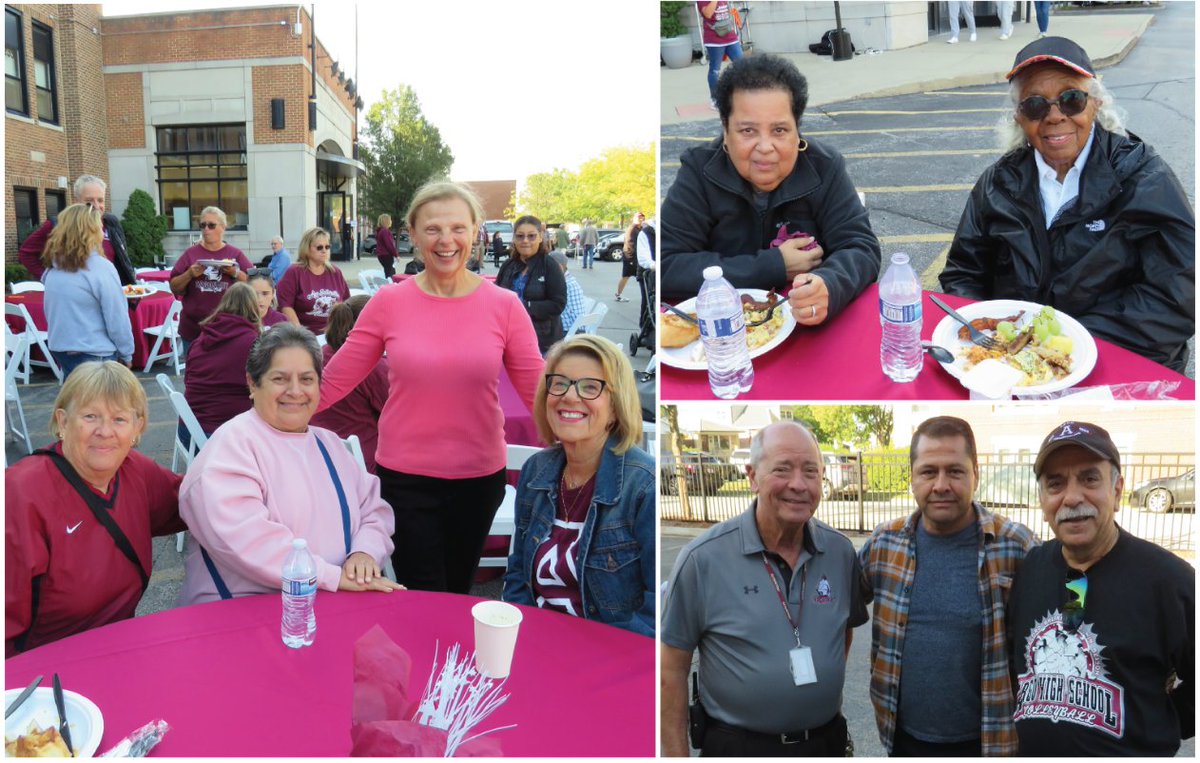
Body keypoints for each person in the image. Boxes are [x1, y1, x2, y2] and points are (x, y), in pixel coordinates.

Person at [317, 181, 543, 595]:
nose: (446, 240)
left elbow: (538, 392)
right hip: (405, 478)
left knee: (456, 590)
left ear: (475, 231)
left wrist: (593, 442)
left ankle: (449, 642)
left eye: (458, 228)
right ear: (413, 233)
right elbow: (335, 379)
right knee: (421, 592)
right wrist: (269, 414)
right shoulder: (389, 302)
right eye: (433, 229)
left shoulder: (505, 306)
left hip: (479, 477)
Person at [939, 38, 1195, 372]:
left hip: (1119, 359)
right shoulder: (997, 184)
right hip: (1014, 363)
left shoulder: (1144, 179)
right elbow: (964, 272)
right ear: (1019, 117)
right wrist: (985, 332)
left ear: (1096, 104)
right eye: (1035, 105)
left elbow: (1179, 296)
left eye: (1071, 99)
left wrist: (1068, 343)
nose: (1055, 116)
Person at [661, 421, 869, 757]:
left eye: (811, 471)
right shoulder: (702, 559)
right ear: (752, 476)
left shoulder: (841, 552)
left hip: (825, 743)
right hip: (738, 748)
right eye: (782, 469)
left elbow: (842, 632)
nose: (798, 484)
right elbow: (670, 669)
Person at [178, 325, 402, 605]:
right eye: (280, 379)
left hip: (334, 599)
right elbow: (248, 542)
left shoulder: (330, 444)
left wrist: (365, 552)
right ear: (252, 383)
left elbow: (373, 510)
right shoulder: (230, 450)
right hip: (247, 609)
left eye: (307, 379)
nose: (295, 391)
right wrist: (332, 577)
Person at [1007, 421, 1194, 756]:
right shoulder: (1029, 568)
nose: (1072, 497)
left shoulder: (1171, 582)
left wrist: (1162, 723)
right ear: (1042, 499)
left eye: (1090, 478)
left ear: (1117, 490)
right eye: (1055, 484)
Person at [858, 416, 1038, 756]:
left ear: (975, 475)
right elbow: (836, 604)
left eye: (955, 471)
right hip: (903, 739)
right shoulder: (884, 544)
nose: (941, 485)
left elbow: (1070, 603)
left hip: (987, 744)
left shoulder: (1015, 546)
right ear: (912, 477)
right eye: (928, 472)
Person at [659, 54, 881, 327]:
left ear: (797, 130)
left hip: (805, 326)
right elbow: (666, 265)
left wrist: (830, 284)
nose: (765, 147)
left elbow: (861, 248)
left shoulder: (824, 166)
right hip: (720, 332)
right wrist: (773, 265)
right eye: (748, 131)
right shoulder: (699, 171)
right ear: (725, 130)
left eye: (779, 130)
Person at [5, 362, 184, 656]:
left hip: (117, 652)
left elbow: (194, 502)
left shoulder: (135, 471)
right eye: (90, 416)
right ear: (63, 422)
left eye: (119, 419)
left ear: (137, 427)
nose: (105, 431)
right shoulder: (20, 494)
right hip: (45, 667)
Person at [502, 335, 653, 635]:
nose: (570, 397)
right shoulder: (536, 470)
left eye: (590, 387)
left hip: (609, 649)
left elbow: (653, 614)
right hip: (536, 638)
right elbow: (518, 572)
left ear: (616, 406)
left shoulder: (643, 486)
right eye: (559, 384)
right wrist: (522, 633)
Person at [39, 204, 135, 378]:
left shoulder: (53, 267)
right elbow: (117, 317)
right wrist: (126, 352)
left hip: (62, 348)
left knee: (74, 395)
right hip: (95, 352)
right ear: (91, 230)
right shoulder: (101, 268)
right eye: (99, 226)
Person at [310, 296, 389, 474]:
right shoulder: (374, 367)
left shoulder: (320, 354)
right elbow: (397, 414)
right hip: (365, 464)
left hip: (320, 456)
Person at [19, 174, 136, 286]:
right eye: (89, 201)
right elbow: (26, 253)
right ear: (76, 202)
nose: (96, 206)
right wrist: (48, 277)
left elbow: (123, 259)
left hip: (109, 290)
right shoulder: (58, 224)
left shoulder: (111, 223)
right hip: (76, 295)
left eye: (100, 200)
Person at [169, 206, 253, 357]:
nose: (206, 229)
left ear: (223, 227)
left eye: (211, 225)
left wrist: (235, 272)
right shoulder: (190, 254)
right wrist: (189, 274)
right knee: (194, 369)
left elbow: (254, 282)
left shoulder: (234, 254)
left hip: (227, 329)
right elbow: (174, 286)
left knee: (225, 369)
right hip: (194, 329)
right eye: (203, 225)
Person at [183, 283, 262, 438]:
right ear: (254, 308)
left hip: (189, 431)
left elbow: (188, 380)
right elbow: (262, 390)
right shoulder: (253, 343)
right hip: (226, 435)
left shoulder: (201, 338)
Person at [496, 214, 568, 354]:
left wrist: (524, 306)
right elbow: (496, 297)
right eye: (520, 236)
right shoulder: (508, 265)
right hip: (508, 338)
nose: (525, 241)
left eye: (531, 236)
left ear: (540, 237)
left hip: (542, 341)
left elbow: (558, 304)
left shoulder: (550, 266)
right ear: (514, 238)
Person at [276, 226, 351, 334]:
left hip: (334, 334)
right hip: (305, 334)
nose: (324, 250)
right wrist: (301, 335)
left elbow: (346, 304)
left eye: (327, 247)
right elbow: (285, 306)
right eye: (319, 247)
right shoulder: (294, 272)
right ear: (307, 248)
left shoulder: (335, 272)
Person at [698, 1, 743, 108]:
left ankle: (742, 95)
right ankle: (715, 99)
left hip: (730, 36)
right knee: (715, 70)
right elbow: (708, 14)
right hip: (714, 39)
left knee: (743, 65)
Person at [549, 250, 585, 335]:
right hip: (574, 328)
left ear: (559, 267)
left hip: (569, 330)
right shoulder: (568, 279)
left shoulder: (565, 284)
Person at [615, 211, 644, 303]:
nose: (640, 219)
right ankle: (618, 295)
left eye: (642, 217)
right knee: (626, 276)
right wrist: (630, 259)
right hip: (630, 258)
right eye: (638, 217)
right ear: (634, 218)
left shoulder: (640, 229)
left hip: (636, 257)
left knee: (639, 277)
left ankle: (646, 297)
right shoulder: (631, 229)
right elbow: (629, 244)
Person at [374, 213, 399, 279]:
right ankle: (390, 284)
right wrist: (396, 255)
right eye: (390, 220)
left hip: (381, 255)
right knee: (390, 273)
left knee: (388, 271)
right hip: (386, 255)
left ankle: (390, 283)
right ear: (386, 221)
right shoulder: (385, 231)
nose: (391, 221)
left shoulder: (379, 231)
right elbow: (389, 245)